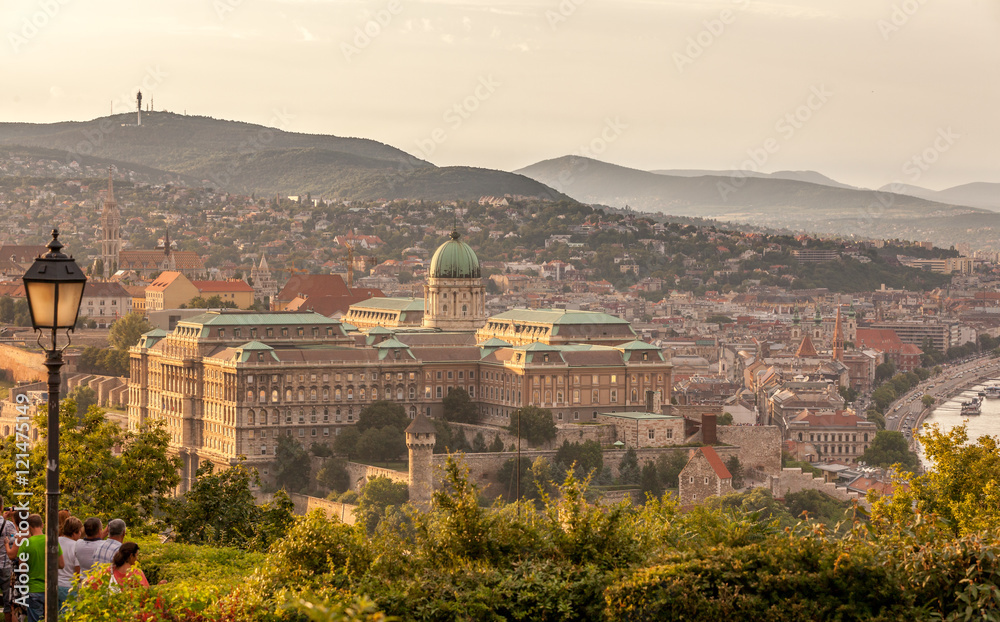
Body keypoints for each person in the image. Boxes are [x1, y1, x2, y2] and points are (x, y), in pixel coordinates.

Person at [5, 514, 63, 622]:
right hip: (50, 588)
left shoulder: (26, 543)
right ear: (42, 524)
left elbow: (22, 570)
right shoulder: (52, 540)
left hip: (33, 589)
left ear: (29, 527)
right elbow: (61, 564)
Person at [57, 517, 83, 610]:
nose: (80, 534)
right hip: (69, 586)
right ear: (74, 533)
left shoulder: (55, 541)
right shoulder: (76, 546)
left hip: (54, 585)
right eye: (79, 532)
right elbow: (77, 572)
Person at [0, 502, 17, 622]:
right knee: (7, 601)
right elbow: (17, 540)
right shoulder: (9, 525)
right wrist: (13, 518)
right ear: (1, 507)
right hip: (5, 565)